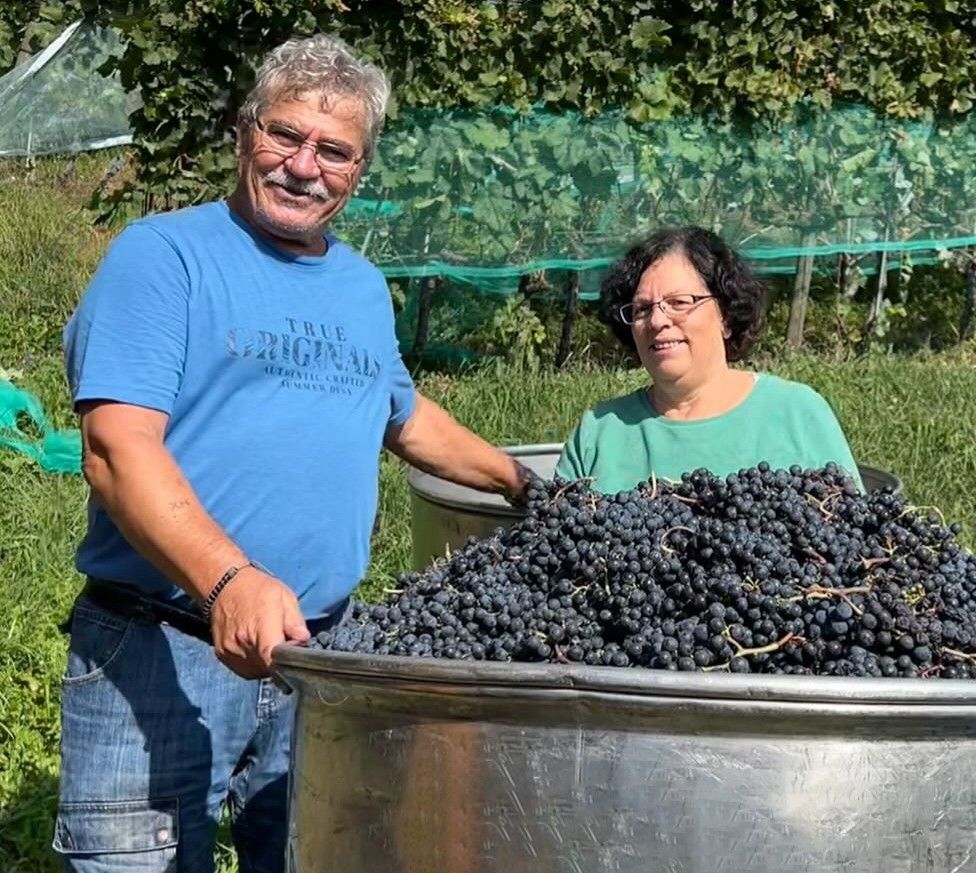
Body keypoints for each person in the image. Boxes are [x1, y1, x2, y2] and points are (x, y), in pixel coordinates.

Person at [54, 35, 531, 873]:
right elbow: (116, 448)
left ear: (360, 168)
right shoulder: (165, 257)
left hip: (322, 653)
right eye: (285, 135)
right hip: (165, 645)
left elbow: (403, 416)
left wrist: (524, 483)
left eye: (334, 150)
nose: (304, 166)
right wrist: (229, 580)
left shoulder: (359, 286)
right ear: (246, 132)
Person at [555, 226, 862, 493]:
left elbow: (852, 530)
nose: (657, 321)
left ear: (725, 316)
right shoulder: (599, 432)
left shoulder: (797, 415)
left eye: (679, 302)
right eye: (642, 309)